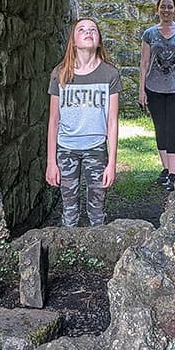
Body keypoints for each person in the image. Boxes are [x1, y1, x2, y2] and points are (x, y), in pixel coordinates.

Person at [46, 18, 121, 227]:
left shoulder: (109, 74)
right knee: (69, 210)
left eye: (93, 30)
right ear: (74, 40)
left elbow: (112, 121)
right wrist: (51, 162)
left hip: (96, 148)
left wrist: (111, 164)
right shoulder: (60, 74)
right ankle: (67, 252)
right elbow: (53, 121)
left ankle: (100, 253)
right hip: (66, 149)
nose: (88, 32)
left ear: (98, 41)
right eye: (82, 29)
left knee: (97, 210)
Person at [139, 0, 175, 192]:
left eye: (169, 6)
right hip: (154, 88)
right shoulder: (149, 34)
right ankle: (165, 168)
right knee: (160, 129)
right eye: (162, 6)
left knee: (173, 128)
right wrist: (141, 90)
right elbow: (144, 63)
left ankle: (173, 173)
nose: (166, 10)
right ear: (157, 9)